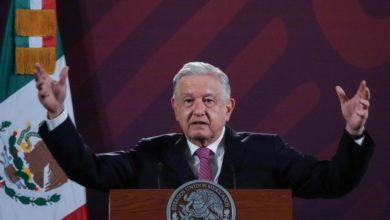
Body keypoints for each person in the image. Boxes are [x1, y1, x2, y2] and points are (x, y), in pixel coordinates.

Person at [34, 62, 374, 198]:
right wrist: (57, 114)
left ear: (228, 108)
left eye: (209, 101)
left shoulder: (267, 153)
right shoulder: (150, 155)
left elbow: (333, 182)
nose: (198, 109)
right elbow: (89, 169)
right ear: (175, 109)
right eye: (188, 101)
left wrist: (353, 133)